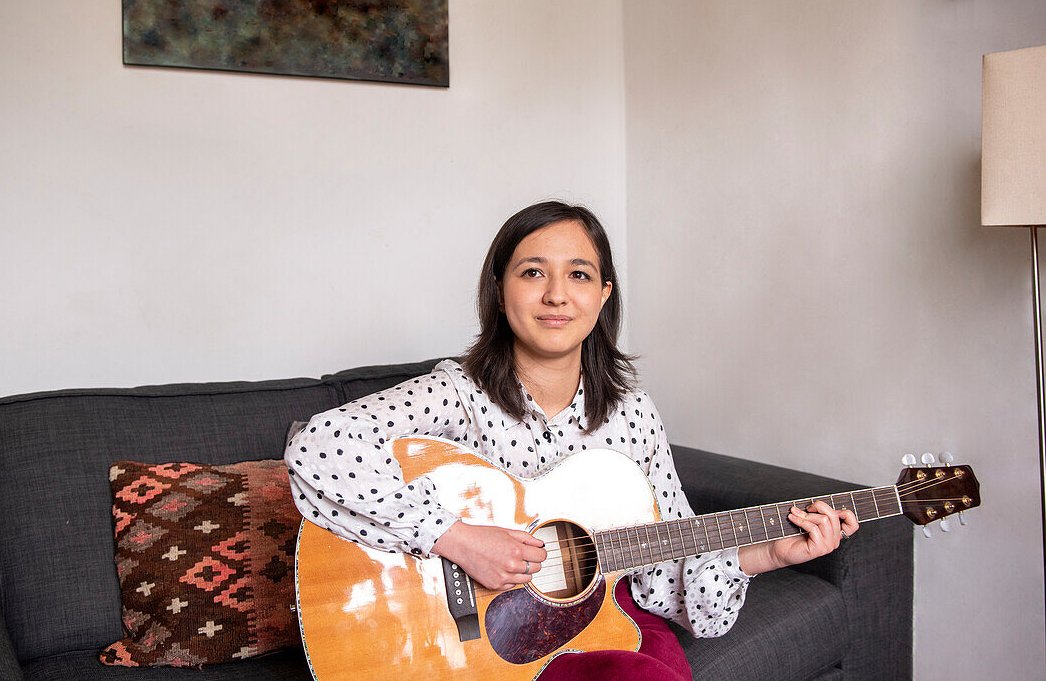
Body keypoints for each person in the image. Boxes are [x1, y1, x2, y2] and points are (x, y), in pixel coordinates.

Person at [285, 201, 858, 680]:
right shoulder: (456, 394)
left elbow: (668, 563)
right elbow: (318, 447)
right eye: (533, 272)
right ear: (498, 288)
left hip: (603, 618)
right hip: (466, 635)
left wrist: (768, 553)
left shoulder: (632, 414)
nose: (557, 294)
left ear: (604, 294)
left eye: (579, 274)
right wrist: (457, 539)